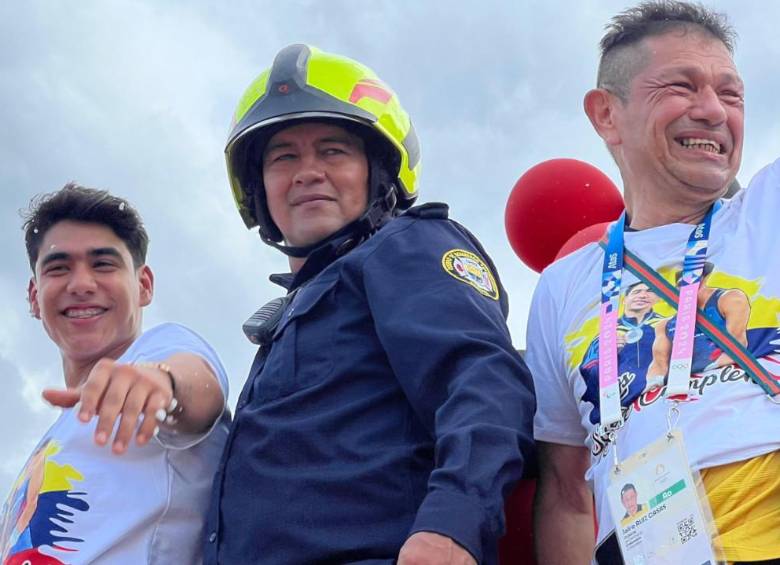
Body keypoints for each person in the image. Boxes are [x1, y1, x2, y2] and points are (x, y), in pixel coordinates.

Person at [203, 44, 535, 565]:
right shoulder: (294, 314)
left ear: (378, 170)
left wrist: (453, 526)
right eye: (283, 156)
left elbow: (483, 379)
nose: (307, 171)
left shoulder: (406, 246)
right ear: (258, 186)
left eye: (333, 150)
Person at [527, 2, 780, 564]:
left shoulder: (769, 212)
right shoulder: (562, 288)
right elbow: (567, 493)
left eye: (731, 94)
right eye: (682, 87)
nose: (713, 110)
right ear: (607, 115)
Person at [0, 184, 230, 564]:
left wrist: (162, 384)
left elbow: (197, 388)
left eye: (103, 264)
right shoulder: (49, 444)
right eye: (58, 268)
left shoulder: (162, 348)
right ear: (33, 297)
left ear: (143, 285)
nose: (81, 285)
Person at [647, 262, 751, 382]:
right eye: (683, 285)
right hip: (685, 380)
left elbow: (738, 344)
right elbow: (659, 364)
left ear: (704, 280)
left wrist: (712, 368)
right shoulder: (665, 325)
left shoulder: (730, 298)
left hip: (722, 372)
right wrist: (653, 383)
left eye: (694, 282)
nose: (689, 288)